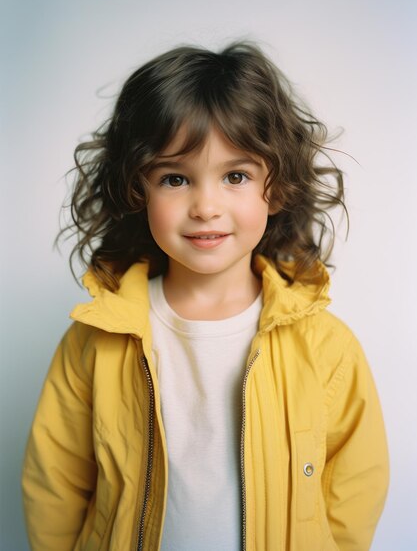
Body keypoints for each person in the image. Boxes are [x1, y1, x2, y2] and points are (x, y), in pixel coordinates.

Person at [21, 42, 389, 551]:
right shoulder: (93, 341)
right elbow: (54, 487)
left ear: (276, 187)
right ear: (137, 189)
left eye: (235, 176)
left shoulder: (326, 346)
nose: (206, 206)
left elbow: (354, 491)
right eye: (176, 178)